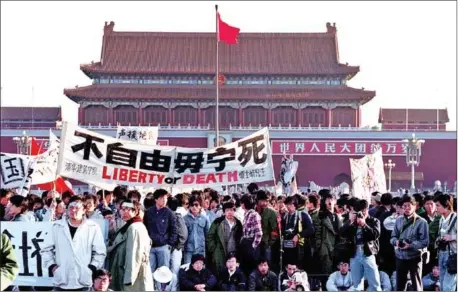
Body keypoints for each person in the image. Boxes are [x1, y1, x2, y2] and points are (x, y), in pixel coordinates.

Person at [41, 195, 107, 291]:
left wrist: (92, 268)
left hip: (83, 280)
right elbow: (45, 249)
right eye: (71, 207)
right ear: (67, 210)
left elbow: (100, 252)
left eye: (77, 208)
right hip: (62, 279)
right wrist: (52, 266)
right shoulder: (57, 227)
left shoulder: (93, 227)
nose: (74, 210)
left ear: (84, 210)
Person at [107, 199, 153, 291]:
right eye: (122, 209)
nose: (124, 212)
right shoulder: (129, 225)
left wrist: (129, 278)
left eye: (128, 209)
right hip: (124, 269)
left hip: (132, 275)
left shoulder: (135, 227)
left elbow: (134, 254)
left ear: (135, 211)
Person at [340, 199, 382, 291]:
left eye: (363, 211)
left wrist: (364, 225)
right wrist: (350, 221)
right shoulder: (352, 222)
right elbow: (342, 233)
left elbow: (375, 235)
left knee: (375, 283)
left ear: (367, 210)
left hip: (368, 254)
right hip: (354, 254)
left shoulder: (374, 221)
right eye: (358, 212)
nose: (361, 214)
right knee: (357, 285)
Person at [390, 194, 429, 291]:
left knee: (417, 286)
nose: (407, 208)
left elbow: (425, 242)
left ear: (415, 206)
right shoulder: (398, 220)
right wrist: (397, 242)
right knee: (399, 287)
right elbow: (392, 237)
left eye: (409, 206)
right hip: (400, 256)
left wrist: (410, 245)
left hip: (414, 257)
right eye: (404, 206)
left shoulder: (422, 222)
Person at [143, 189, 177, 272]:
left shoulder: (169, 213)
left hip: (163, 246)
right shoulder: (148, 212)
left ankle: (162, 286)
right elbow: (144, 228)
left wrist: (170, 243)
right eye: (161, 198)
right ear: (156, 199)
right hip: (150, 246)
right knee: (149, 271)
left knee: (163, 272)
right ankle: (152, 285)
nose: (164, 200)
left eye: (165, 198)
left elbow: (174, 229)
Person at [206, 201, 243, 275]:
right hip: (220, 251)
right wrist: (213, 249)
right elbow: (210, 236)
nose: (230, 212)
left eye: (232, 210)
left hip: (233, 252)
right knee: (220, 272)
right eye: (227, 210)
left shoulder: (238, 223)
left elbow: (241, 237)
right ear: (224, 212)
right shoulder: (217, 222)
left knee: (232, 272)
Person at [281, 196, 314, 271]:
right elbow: (283, 230)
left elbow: (311, 229)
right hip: (288, 246)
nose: (289, 206)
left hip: (300, 247)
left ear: (295, 204)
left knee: (299, 268)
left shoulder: (302, 215)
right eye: (287, 204)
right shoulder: (285, 216)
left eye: (290, 204)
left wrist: (298, 235)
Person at [433, 193, 457, 292]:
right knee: (442, 285)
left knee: (448, 287)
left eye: (438, 205)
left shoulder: (456, 219)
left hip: (453, 256)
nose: (436, 208)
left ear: (446, 205)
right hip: (442, 254)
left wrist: (452, 237)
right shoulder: (441, 219)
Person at [239, 194, 263, 277]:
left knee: (251, 270)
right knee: (245, 269)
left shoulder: (254, 215)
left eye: (242, 203)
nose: (241, 204)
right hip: (245, 244)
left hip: (251, 244)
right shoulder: (246, 214)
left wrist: (253, 246)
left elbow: (259, 233)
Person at [183, 196, 210, 264]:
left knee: (201, 270)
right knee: (187, 268)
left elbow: (208, 235)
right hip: (188, 249)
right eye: (192, 205)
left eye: (196, 205)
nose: (194, 207)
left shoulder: (205, 218)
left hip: (200, 249)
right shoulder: (184, 219)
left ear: (200, 206)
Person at [166, 197, 188, 275]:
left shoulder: (175, 216)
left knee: (170, 271)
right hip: (175, 248)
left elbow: (183, 234)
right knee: (174, 271)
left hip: (173, 248)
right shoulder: (178, 216)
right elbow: (184, 234)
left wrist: (178, 246)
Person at [256, 190, 279, 264]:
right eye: (262, 201)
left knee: (267, 264)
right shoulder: (254, 210)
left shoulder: (271, 212)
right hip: (256, 243)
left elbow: (275, 230)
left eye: (266, 200)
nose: (265, 203)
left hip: (266, 244)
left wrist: (270, 243)